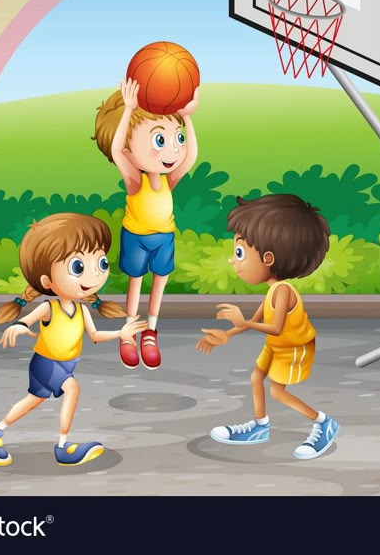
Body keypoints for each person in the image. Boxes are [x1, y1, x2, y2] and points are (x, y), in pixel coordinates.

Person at [0, 213, 145, 467]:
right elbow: (27, 320)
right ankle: (64, 446)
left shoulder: (82, 310)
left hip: (66, 363)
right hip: (46, 363)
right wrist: (20, 326)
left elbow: (95, 336)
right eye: (78, 267)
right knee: (72, 389)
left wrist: (120, 334)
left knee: (34, 399)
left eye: (101, 264)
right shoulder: (49, 308)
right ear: (47, 280)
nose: (93, 276)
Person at [196, 194, 340, 460]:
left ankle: (323, 422)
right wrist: (226, 335)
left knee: (277, 391)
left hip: (292, 349)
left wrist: (242, 322)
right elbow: (256, 321)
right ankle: (259, 427)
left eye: (239, 253)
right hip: (276, 346)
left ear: (269, 258)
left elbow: (274, 327)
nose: (232, 261)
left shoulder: (284, 291)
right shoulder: (272, 291)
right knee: (255, 378)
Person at [93, 79, 198, 370]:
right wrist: (127, 111)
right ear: (130, 149)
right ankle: (129, 332)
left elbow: (191, 156)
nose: (173, 150)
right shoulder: (134, 180)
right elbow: (116, 151)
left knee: (159, 284)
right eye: (159, 140)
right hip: (136, 237)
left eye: (176, 138)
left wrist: (187, 118)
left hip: (164, 237)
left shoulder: (168, 179)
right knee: (136, 283)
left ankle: (150, 331)